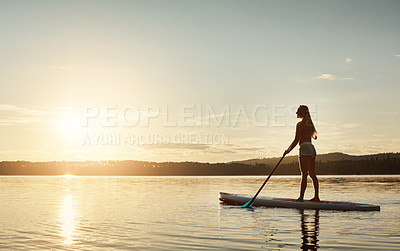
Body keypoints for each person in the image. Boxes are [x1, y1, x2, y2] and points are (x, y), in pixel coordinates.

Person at [284, 105, 319, 202]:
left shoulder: (300, 125)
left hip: (304, 148)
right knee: (312, 174)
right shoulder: (310, 124)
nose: (296, 113)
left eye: (298, 111)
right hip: (312, 149)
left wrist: (288, 150)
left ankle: (301, 198)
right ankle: (316, 197)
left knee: (304, 174)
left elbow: (296, 140)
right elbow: (314, 137)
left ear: (302, 113)